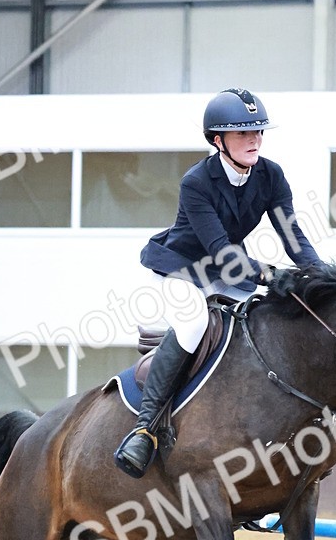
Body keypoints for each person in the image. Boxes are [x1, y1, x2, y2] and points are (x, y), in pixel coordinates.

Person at [114, 87, 322, 478]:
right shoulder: (196, 182)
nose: (254, 139)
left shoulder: (271, 174)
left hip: (229, 271)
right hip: (183, 269)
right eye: (243, 132)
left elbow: (293, 237)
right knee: (194, 323)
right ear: (217, 140)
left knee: (264, 320)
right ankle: (145, 427)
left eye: (258, 131)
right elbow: (220, 251)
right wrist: (271, 275)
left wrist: (323, 278)